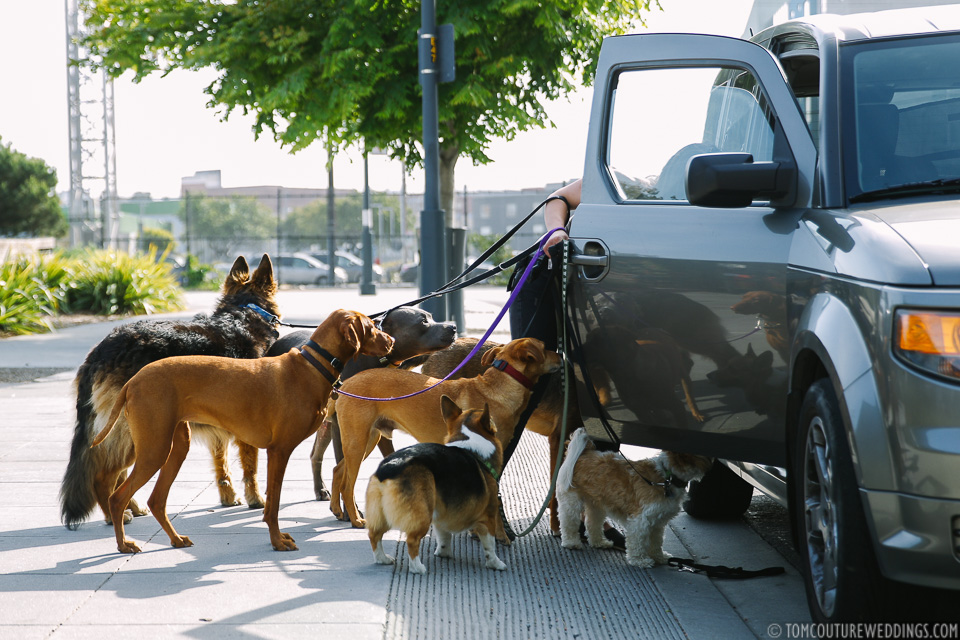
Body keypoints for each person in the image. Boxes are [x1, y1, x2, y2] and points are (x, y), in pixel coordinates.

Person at [504, 179, 626, 549]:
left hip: (595, 294)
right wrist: (557, 230)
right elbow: (558, 198)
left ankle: (592, 516)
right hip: (547, 280)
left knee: (605, 403)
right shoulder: (620, 179)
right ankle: (482, 498)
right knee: (524, 389)